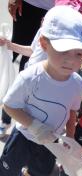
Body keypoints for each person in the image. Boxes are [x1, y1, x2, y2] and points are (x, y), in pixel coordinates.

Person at [0, 5, 82, 176]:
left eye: (79, 54)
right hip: (23, 136)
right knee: (7, 170)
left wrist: (70, 138)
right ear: (43, 44)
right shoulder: (30, 77)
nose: (71, 60)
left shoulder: (77, 83)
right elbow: (9, 106)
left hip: (52, 142)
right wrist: (34, 126)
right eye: (63, 50)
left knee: (40, 172)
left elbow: (72, 112)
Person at [0, 0, 54, 138]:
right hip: (30, 6)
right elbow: (32, 49)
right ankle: (5, 121)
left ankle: (17, 130)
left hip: (41, 85)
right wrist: (9, 45)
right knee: (15, 90)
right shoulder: (42, 30)